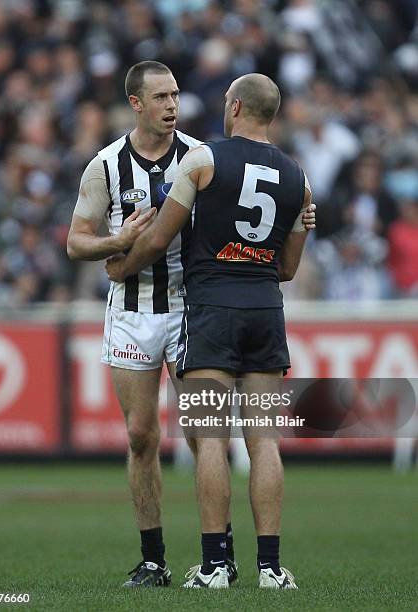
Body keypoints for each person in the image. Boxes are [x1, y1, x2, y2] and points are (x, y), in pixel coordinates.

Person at [105, 73, 314, 589]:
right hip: (266, 312)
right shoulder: (297, 177)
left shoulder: (203, 161)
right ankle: (270, 568)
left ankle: (215, 565)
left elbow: (157, 239)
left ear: (236, 106)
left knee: (212, 437)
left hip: (212, 314)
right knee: (264, 442)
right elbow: (287, 268)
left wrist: (121, 265)